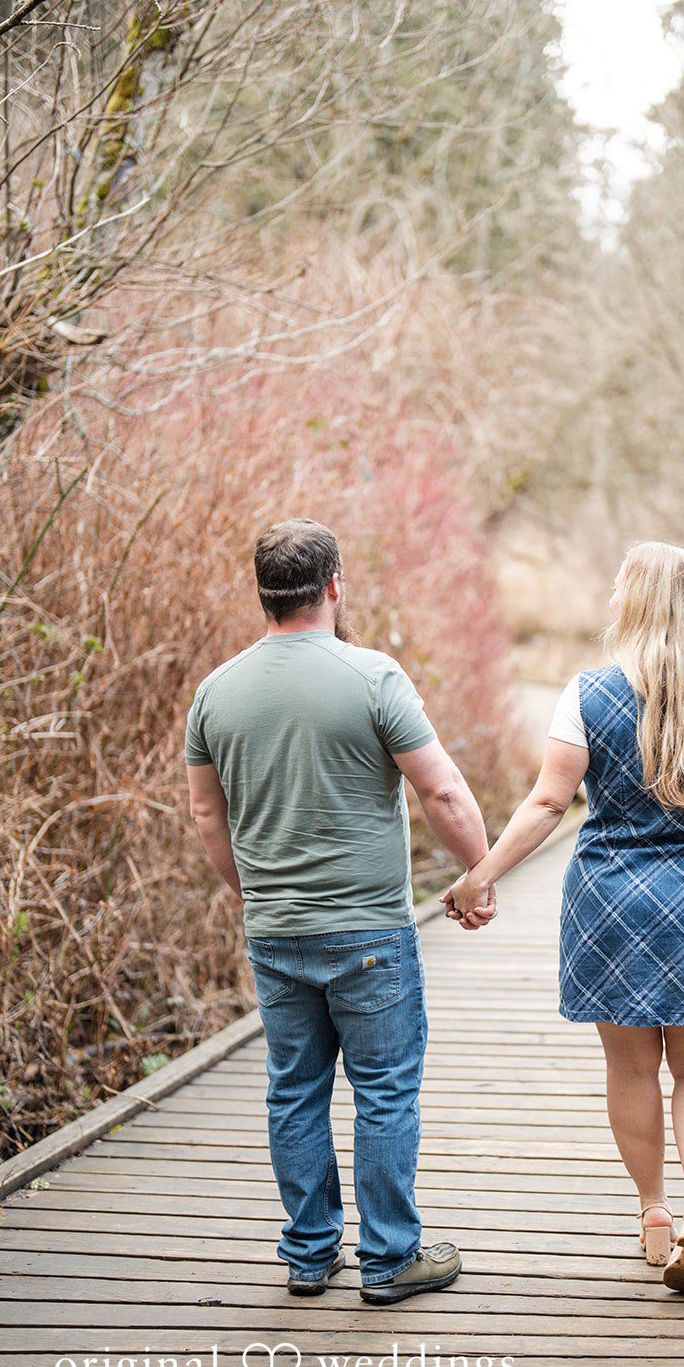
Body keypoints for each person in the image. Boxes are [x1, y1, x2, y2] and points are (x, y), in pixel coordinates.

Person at [444, 540, 684, 1292]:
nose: (610, 599)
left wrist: (478, 876)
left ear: (637, 604)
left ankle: (651, 1208)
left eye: (619, 587)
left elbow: (549, 802)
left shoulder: (586, 693)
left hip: (608, 898)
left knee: (629, 1066)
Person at [185, 518, 495, 1304]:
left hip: (275, 932)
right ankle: (390, 1261)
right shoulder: (372, 677)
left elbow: (204, 817)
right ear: (333, 587)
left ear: (263, 595)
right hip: (368, 933)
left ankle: (308, 1255)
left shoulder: (215, 693)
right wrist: (479, 872)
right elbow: (443, 790)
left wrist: (252, 893)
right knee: (383, 1090)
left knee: (293, 1089)